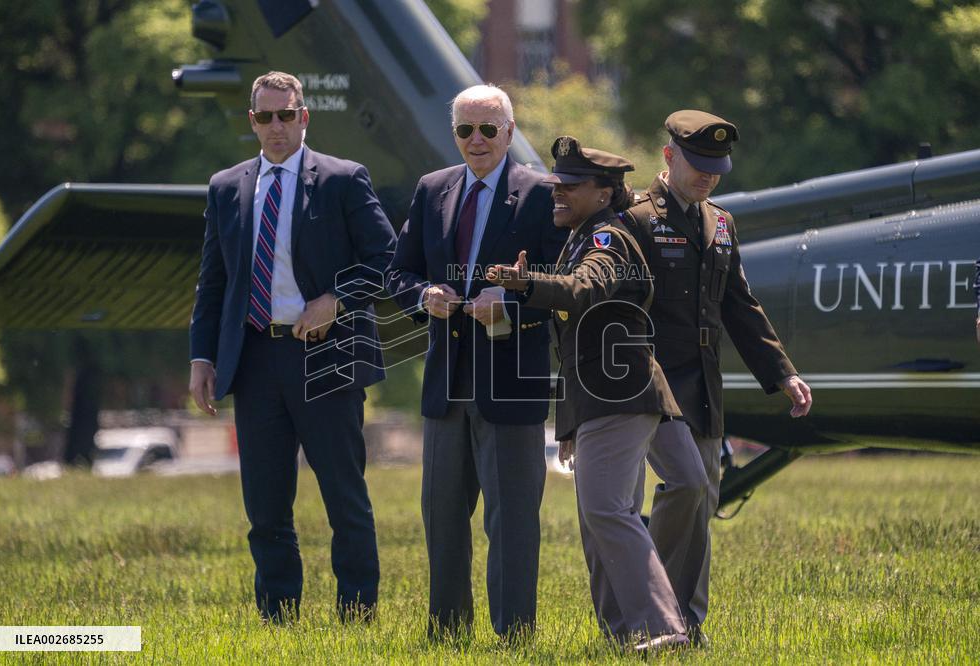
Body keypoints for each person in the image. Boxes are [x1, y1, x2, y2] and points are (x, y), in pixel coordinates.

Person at [188, 71, 396, 623]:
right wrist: (202, 358)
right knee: (265, 507)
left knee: (345, 501)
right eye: (264, 116)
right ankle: (278, 618)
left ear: (305, 117)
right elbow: (213, 283)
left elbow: (387, 262)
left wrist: (334, 299)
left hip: (329, 356)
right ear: (252, 120)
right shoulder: (226, 186)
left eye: (286, 115)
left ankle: (357, 616)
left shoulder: (343, 179)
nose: (276, 126)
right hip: (255, 359)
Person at [487, 136, 689, 652]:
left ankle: (662, 630)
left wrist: (526, 283)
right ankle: (626, 635)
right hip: (608, 395)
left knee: (606, 511)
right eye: (557, 184)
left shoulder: (607, 239)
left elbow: (584, 291)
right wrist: (571, 421)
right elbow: (577, 341)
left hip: (617, 397)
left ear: (604, 193)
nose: (558, 193)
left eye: (571, 187)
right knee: (598, 515)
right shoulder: (584, 233)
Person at [620, 110, 813, 646]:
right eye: (698, 165)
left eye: (716, 167)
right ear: (668, 157)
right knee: (683, 488)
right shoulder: (635, 218)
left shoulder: (721, 223)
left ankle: (686, 624)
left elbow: (739, 305)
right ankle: (649, 611)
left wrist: (782, 374)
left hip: (703, 382)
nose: (708, 176)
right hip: (649, 380)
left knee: (703, 495)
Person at [385, 84, 567, 639]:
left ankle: (513, 635)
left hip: (512, 384)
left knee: (511, 521)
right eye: (466, 129)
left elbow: (564, 284)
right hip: (446, 384)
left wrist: (509, 302)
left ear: (510, 132)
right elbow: (399, 274)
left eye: (489, 129)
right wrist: (424, 298)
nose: (477, 139)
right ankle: (447, 634)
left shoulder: (540, 194)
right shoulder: (432, 189)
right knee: (441, 517)